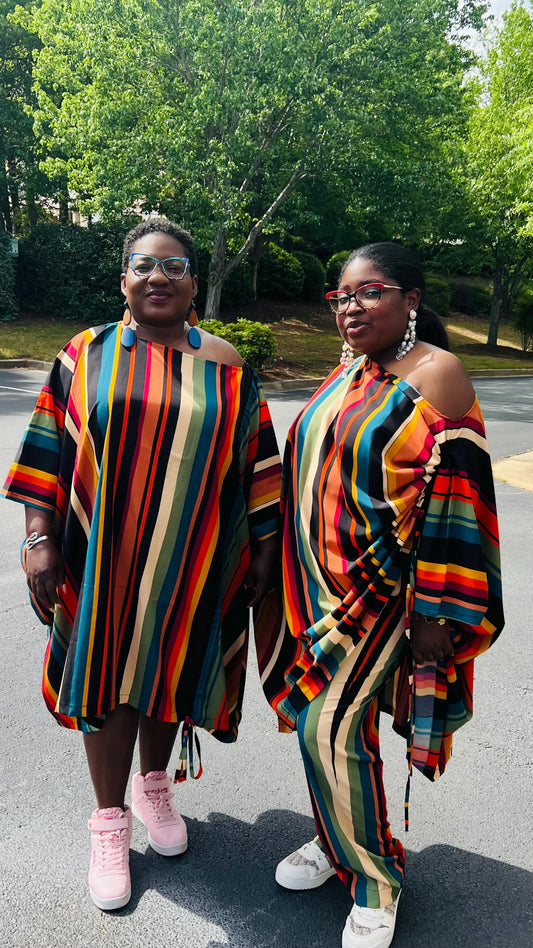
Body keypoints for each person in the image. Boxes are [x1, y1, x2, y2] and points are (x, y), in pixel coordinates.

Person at [2, 218, 281, 911]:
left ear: (192, 283)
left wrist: (263, 552)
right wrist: (39, 537)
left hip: (196, 559)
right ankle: (108, 822)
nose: (158, 276)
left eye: (175, 266)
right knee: (105, 679)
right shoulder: (85, 354)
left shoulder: (226, 363)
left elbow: (258, 464)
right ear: (122, 278)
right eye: (142, 265)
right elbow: (48, 449)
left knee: (172, 671)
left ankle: (153, 788)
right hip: (103, 557)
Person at [256, 242, 504, 948]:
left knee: (325, 730)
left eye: (370, 291)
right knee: (325, 728)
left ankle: (374, 880)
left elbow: (455, 500)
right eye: (340, 295)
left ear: (411, 300)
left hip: (380, 595)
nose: (350, 306)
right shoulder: (354, 370)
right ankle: (333, 839)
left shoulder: (436, 372)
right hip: (309, 588)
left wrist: (434, 611)